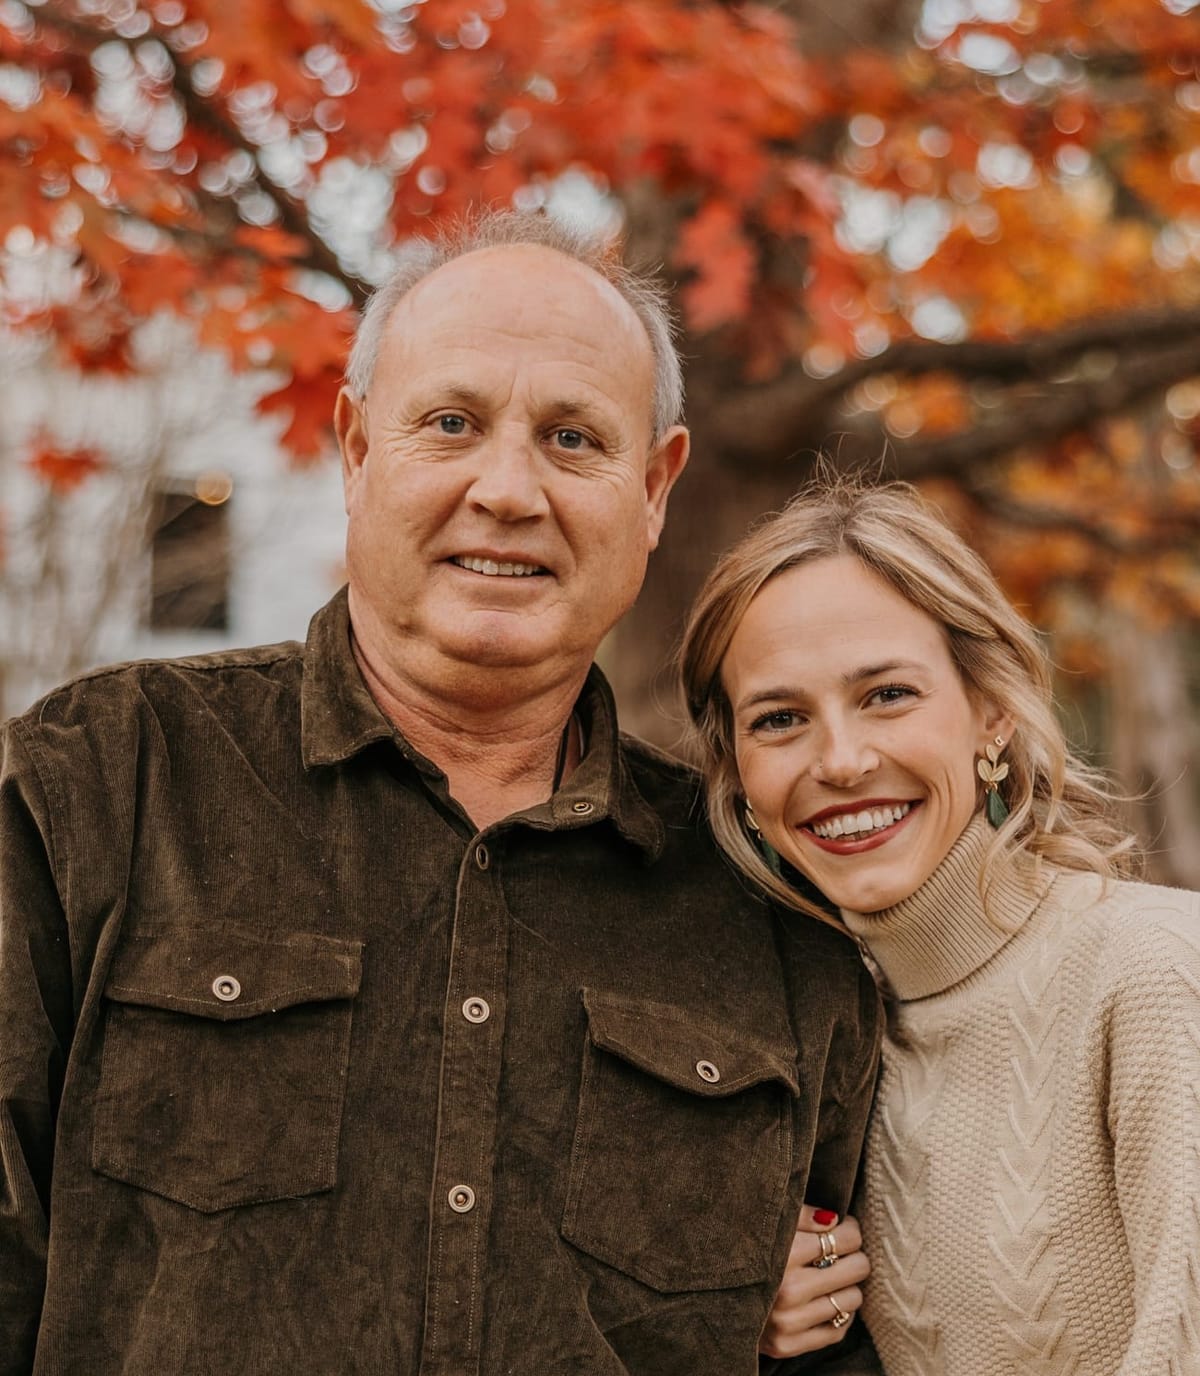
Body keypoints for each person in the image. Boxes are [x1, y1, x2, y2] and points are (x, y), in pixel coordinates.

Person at [0, 212, 882, 1375]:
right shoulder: (100, 782)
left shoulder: (765, 901)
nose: (508, 489)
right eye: (452, 423)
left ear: (655, 488)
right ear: (359, 449)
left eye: (573, 438)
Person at [680, 474, 1200, 1375]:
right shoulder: (815, 1037)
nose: (840, 760)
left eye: (887, 694)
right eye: (780, 718)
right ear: (738, 776)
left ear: (991, 713)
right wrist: (751, 1310)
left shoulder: (1157, 973)